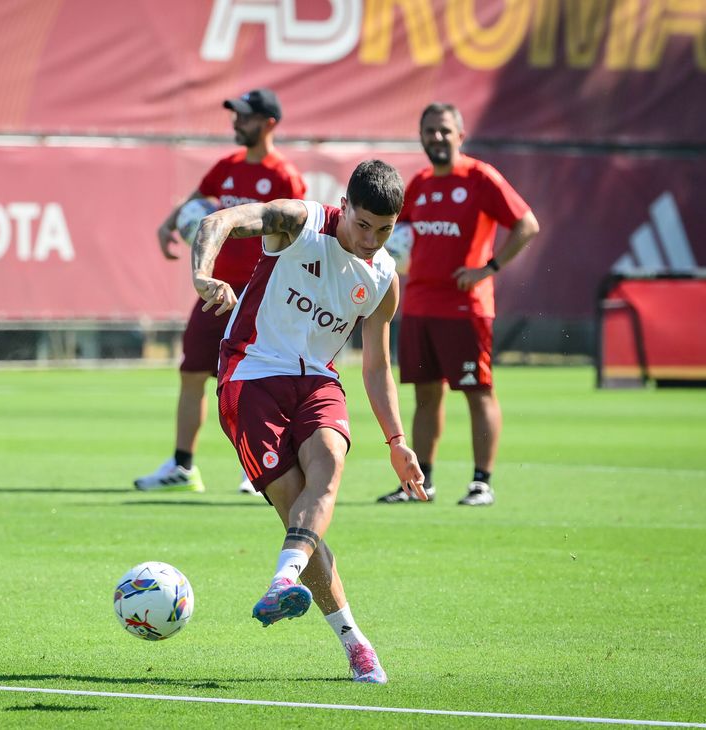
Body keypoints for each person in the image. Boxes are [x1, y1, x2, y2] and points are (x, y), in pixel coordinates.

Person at [191, 160, 427, 683]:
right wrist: (203, 276)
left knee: (328, 474)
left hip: (318, 382)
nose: (370, 239)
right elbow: (218, 222)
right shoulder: (300, 223)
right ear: (344, 207)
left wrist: (397, 440)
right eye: (363, 224)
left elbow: (376, 365)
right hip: (251, 376)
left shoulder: (384, 277)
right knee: (295, 506)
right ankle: (353, 639)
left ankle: (283, 581)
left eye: (384, 230)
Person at [134, 88, 306, 494]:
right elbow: (197, 200)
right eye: (236, 116)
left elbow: (301, 234)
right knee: (192, 372)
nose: (236, 123)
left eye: (244, 117)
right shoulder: (226, 167)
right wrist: (167, 224)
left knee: (258, 381)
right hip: (216, 291)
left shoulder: (284, 176)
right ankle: (182, 465)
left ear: (268, 124)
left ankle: (261, 466)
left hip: (261, 296)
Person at [377, 103, 539, 506]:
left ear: (460, 134)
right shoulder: (420, 183)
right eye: (429, 131)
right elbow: (398, 232)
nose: (437, 137)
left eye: (444, 130)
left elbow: (527, 224)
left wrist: (489, 268)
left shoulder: (480, 177)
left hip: (466, 307)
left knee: (477, 391)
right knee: (425, 396)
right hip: (418, 305)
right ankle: (420, 483)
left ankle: (481, 482)